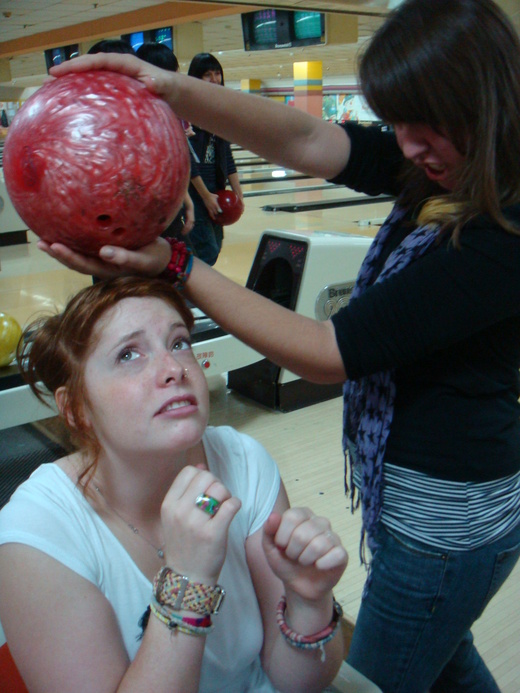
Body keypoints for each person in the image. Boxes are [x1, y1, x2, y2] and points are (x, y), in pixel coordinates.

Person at [38, 0, 520, 690]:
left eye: (425, 125)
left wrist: (179, 263)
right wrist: (169, 89)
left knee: (376, 678)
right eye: (398, 124)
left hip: (448, 520)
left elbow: (328, 350)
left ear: (484, 105)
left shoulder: (504, 235)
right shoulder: (446, 165)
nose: (407, 145)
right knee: (446, 663)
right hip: (421, 499)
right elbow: (307, 138)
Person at [0, 276, 348, 693]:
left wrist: (309, 602)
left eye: (179, 342)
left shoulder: (243, 462)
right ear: (76, 408)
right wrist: (187, 581)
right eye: (128, 354)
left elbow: (295, 682)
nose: (173, 369)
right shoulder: (38, 534)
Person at [185, 53, 244, 266]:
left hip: (216, 189)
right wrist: (205, 196)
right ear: (196, 78)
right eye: (207, 75)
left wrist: (238, 191)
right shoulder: (189, 112)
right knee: (207, 250)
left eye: (217, 73)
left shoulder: (218, 111)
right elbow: (188, 160)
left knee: (215, 247)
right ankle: (190, 286)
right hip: (195, 191)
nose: (214, 79)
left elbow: (226, 154)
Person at [136, 42, 195, 241]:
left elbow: (171, 167)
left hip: (168, 208)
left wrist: (187, 202)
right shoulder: (138, 119)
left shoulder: (167, 113)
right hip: (144, 214)